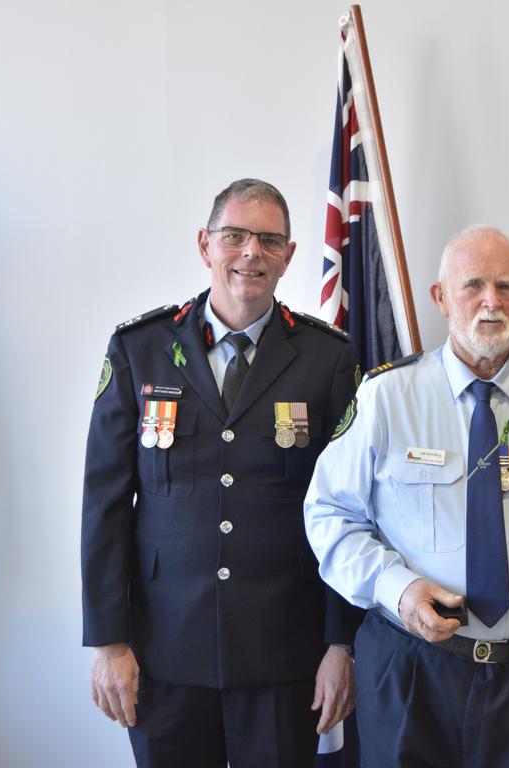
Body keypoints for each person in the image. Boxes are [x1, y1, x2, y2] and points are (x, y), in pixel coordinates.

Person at [304, 225, 509, 768]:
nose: (490, 302)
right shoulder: (388, 396)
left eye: (506, 287)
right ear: (440, 297)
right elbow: (328, 514)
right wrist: (398, 589)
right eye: (472, 285)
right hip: (411, 670)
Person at [81, 178, 362, 768]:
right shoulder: (141, 349)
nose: (250, 253)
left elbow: (352, 511)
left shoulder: (327, 358)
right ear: (205, 244)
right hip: (164, 652)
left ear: (288, 255)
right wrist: (109, 640)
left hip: (286, 654)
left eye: (268, 240)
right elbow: (105, 503)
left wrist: (343, 644)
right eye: (234, 236)